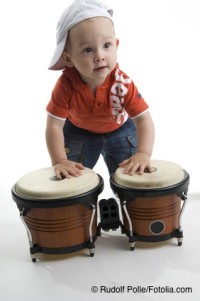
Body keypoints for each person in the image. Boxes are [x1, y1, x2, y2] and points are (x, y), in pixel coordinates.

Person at [45, 0, 155, 180]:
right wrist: (59, 160)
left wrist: (144, 153)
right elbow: (54, 125)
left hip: (120, 130)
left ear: (116, 45)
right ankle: (81, 207)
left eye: (106, 45)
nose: (99, 56)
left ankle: (126, 203)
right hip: (78, 132)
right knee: (71, 179)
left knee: (131, 178)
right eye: (88, 49)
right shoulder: (66, 86)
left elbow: (144, 120)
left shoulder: (122, 83)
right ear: (68, 58)